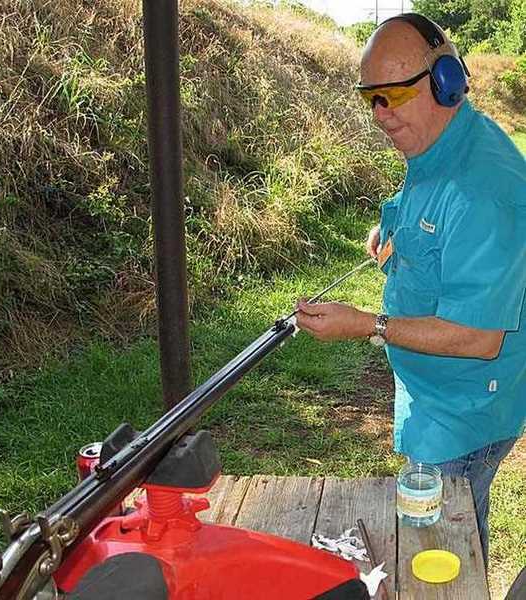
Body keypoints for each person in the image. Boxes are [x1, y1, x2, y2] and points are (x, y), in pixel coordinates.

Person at [295, 13, 526, 568]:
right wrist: (394, 232)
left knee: (439, 557)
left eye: (395, 95)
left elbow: (477, 337)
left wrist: (367, 325)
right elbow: (431, 215)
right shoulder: (439, 145)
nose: (381, 115)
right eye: (371, 98)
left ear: (448, 80)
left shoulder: (483, 187)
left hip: (463, 411)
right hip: (435, 400)